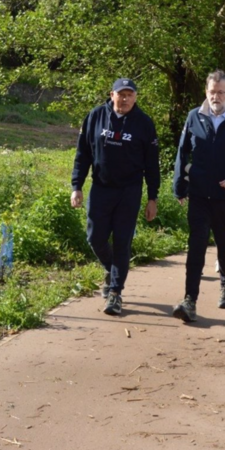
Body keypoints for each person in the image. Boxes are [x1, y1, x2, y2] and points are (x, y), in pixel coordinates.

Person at [171, 69, 225, 323]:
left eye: (221, 92)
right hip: (198, 194)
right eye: (212, 92)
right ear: (206, 92)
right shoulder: (193, 117)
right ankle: (190, 299)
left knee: (224, 242)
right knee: (196, 245)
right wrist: (180, 185)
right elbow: (181, 153)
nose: (216, 96)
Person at [70, 77, 160, 316]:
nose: (125, 98)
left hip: (129, 191)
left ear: (135, 97)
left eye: (130, 94)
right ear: (112, 95)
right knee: (95, 237)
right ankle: (112, 269)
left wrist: (153, 197)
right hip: (101, 187)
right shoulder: (95, 116)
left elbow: (152, 164)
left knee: (122, 241)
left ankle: (115, 293)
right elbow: (83, 153)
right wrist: (76, 185)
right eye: (121, 94)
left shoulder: (144, 123)